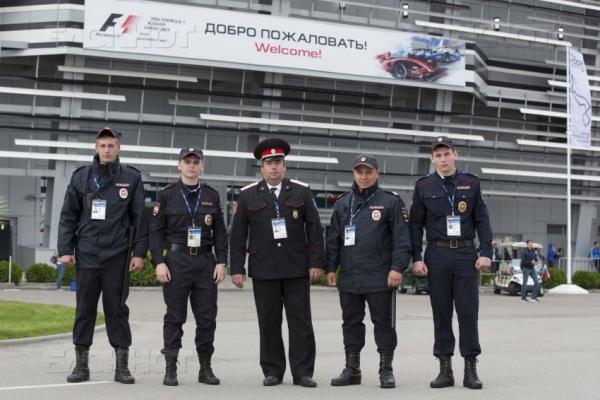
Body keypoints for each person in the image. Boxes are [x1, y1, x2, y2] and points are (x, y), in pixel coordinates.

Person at [229, 137, 325, 388]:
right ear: (261, 167)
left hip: (296, 268)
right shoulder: (248, 195)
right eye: (269, 163)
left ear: (285, 166)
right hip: (264, 269)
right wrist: (237, 268)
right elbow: (238, 235)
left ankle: (303, 372)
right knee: (268, 322)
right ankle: (272, 370)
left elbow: (314, 229)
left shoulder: (301, 191)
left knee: (300, 322)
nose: (274, 167)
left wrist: (316, 262)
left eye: (278, 162)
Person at [57, 127, 147, 384]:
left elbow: (140, 219)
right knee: (84, 309)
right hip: (87, 253)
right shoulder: (81, 177)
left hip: (117, 254)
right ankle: (81, 366)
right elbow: (68, 216)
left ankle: (122, 367)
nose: (107, 150)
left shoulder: (131, 178)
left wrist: (139, 253)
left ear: (118, 148)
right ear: (96, 148)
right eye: (103, 145)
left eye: (111, 145)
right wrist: (65, 250)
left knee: (116, 309)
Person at [409, 136, 492, 390]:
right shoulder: (423, 186)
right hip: (437, 255)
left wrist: (485, 251)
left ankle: (470, 368)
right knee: (441, 312)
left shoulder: (471, 183)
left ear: (455, 154)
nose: (443, 159)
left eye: (447, 154)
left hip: (466, 255)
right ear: (432, 159)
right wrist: (416, 257)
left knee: (468, 312)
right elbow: (415, 224)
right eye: (438, 155)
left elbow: (482, 219)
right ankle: (445, 369)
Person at [326, 154, 411, 389]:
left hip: (380, 275)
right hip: (350, 275)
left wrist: (397, 268)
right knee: (350, 323)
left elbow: (402, 239)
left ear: (377, 173)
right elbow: (333, 239)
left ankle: (386, 370)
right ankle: (352, 369)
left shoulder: (391, 202)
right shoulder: (343, 203)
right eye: (359, 172)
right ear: (354, 174)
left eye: (368, 172)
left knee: (383, 323)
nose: (364, 177)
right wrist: (331, 267)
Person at [149, 146, 227, 386]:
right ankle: (170, 368)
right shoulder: (167, 195)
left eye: (196, 162)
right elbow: (155, 232)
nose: (191, 166)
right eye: (187, 161)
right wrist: (159, 262)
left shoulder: (212, 195)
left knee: (207, 318)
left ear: (202, 166)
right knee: (175, 316)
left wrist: (222, 261)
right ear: (179, 165)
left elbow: (220, 232)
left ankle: (205, 368)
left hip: (205, 262)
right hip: (176, 261)